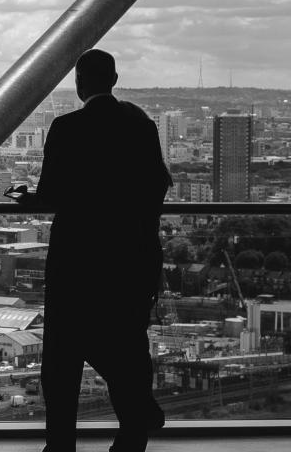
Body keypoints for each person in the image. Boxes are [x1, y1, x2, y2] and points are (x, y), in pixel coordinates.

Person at [14, 49, 171, 452]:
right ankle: (134, 423)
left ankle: (61, 442)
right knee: (126, 341)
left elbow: (51, 194)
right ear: (114, 79)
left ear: (80, 83)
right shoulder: (142, 126)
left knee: (63, 355)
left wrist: (25, 197)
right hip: (130, 254)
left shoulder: (67, 127)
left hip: (78, 255)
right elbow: (157, 185)